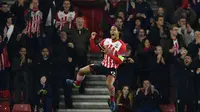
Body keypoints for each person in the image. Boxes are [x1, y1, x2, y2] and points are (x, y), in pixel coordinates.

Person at [66, 25, 127, 111]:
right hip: (103, 66)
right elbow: (94, 49)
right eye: (111, 29)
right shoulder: (106, 41)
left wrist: (110, 54)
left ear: (119, 32)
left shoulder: (122, 45)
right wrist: (92, 39)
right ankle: (77, 83)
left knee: (109, 84)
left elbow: (120, 62)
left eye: (114, 30)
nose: (112, 31)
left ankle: (112, 101)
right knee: (81, 71)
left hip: (112, 69)